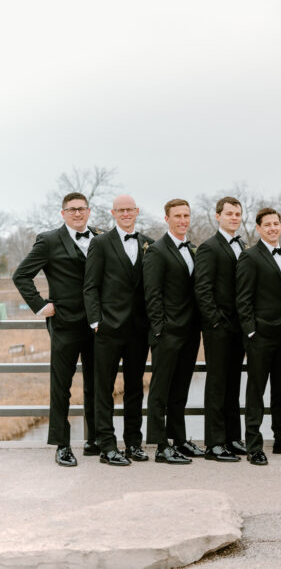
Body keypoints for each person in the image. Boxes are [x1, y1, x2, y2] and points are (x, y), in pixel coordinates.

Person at [12, 192, 101, 467]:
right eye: (71, 209)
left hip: (98, 324)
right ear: (63, 213)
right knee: (61, 386)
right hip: (64, 323)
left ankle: (95, 439)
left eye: (81, 209)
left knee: (97, 383)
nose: (77, 213)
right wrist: (40, 306)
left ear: (88, 211)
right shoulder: (49, 240)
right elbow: (21, 275)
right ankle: (62, 445)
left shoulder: (101, 238)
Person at [82, 194, 153, 466]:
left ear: (137, 211)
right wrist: (96, 321)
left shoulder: (149, 243)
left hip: (138, 329)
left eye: (130, 209)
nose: (126, 213)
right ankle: (107, 446)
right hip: (108, 329)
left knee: (135, 388)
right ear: (113, 213)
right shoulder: (100, 243)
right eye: (120, 210)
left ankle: (134, 443)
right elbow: (90, 286)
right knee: (104, 388)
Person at [236, 207, 281, 465]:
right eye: (268, 225)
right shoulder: (250, 257)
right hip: (260, 336)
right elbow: (242, 298)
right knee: (256, 391)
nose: (273, 228)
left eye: (276, 223)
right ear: (259, 228)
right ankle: (254, 445)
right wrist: (251, 330)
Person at [143, 199, 204, 464]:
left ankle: (179, 440)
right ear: (166, 219)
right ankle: (160, 445)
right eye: (177, 216)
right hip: (167, 332)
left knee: (180, 389)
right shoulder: (157, 250)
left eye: (186, 215)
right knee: (160, 390)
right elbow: (152, 293)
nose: (183, 220)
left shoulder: (191, 249)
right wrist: (160, 329)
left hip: (190, 332)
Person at [194, 196, 247, 462]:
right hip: (218, 328)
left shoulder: (243, 245)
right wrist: (215, 321)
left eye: (238, 214)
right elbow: (202, 288)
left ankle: (232, 438)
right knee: (216, 383)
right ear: (218, 216)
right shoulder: (209, 247)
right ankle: (215, 443)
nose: (234, 218)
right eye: (229, 214)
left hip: (240, 328)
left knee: (233, 383)